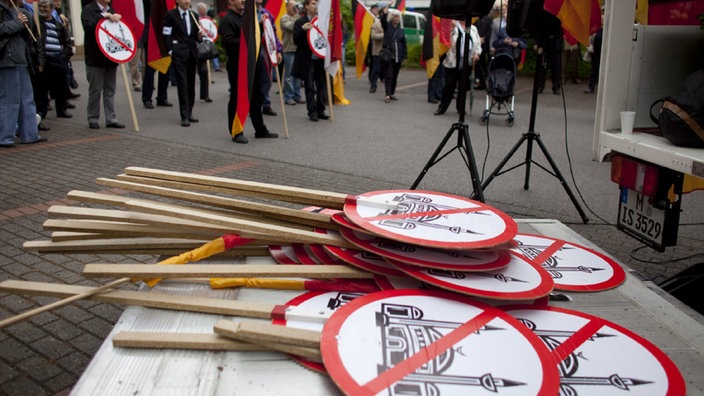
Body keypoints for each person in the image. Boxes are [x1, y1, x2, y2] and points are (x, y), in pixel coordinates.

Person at [219, 0, 278, 143]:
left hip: (253, 64)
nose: (243, 1)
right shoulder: (227, 19)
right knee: (237, 98)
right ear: (231, 2)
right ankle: (236, 131)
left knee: (257, 97)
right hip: (238, 66)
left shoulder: (246, 18)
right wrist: (247, 40)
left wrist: (261, 27)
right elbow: (228, 43)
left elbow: (254, 36)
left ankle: (260, 129)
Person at [0, 0, 46, 147]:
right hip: (6, 60)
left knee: (27, 100)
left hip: (21, 60)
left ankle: (30, 134)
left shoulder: (20, 10)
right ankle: (5, 137)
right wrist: (17, 23)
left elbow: (31, 37)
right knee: (9, 101)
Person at [81, 0, 125, 129]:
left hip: (110, 58)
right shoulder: (88, 10)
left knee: (110, 90)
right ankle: (93, 118)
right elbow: (88, 28)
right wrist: (102, 16)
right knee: (95, 90)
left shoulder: (112, 9)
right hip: (95, 59)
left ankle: (111, 118)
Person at [163, 0, 204, 127]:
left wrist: (200, 36)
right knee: (182, 83)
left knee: (191, 84)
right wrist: (170, 50)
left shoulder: (193, 15)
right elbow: (166, 34)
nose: (187, 1)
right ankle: (184, 115)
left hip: (191, 53)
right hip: (178, 54)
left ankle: (190, 111)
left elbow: (196, 35)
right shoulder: (171, 15)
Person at [433, 20, 481, 116]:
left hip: (467, 61)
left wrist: (477, 53)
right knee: (449, 85)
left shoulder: (473, 28)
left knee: (463, 87)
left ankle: (460, 108)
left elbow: (477, 44)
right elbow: (445, 42)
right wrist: (451, 29)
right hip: (453, 61)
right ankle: (442, 107)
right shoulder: (452, 26)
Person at [35, 0, 72, 123]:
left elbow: (67, 42)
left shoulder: (58, 25)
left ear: (51, 9)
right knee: (42, 88)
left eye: (45, 7)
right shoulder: (37, 24)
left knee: (61, 86)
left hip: (58, 59)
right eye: (41, 6)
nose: (43, 9)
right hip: (45, 60)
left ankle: (62, 110)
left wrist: (64, 58)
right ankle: (42, 111)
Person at [292, 0, 329, 122]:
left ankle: (321, 109)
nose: (315, 6)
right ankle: (312, 111)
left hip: (321, 59)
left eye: (317, 4)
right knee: (309, 86)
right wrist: (303, 29)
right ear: (307, 6)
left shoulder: (323, 22)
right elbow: (296, 41)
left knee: (322, 85)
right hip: (307, 60)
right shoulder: (300, 22)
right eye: (313, 3)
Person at [256, 0, 281, 116]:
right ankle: (253, 105)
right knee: (253, 79)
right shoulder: (245, 13)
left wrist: (278, 50)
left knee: (267, 77)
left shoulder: (266, 13)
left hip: (265, 49)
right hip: (253, 49)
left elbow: (273, 33)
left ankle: (266, 104)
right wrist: (258, 23)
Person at [379, 6, 406, 103]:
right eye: (395, 17)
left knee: (395, 76)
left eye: (398, 17)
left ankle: (392, 93)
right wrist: (385, 13)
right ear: (391, 17)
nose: (396, 18)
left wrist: (405, 56)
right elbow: (382, 21)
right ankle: (387, 95)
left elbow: (404, 44)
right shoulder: (387, 27)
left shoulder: (401, 30)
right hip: (389, 56)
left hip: (398, 57)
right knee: (389, 76)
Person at [279, 0, 303, 105]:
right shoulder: (284, 18)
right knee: (289, 75)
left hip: (298, 48)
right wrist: (298, 15)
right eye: (293, 6)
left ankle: (297, 95)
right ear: (287, 7)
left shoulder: (298, 17)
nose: (295, 8)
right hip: (289, 49)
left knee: (298, 74)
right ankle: (288, 96)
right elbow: (292, 27)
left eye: (296, 6)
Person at [195, 2, 212, 103]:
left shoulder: (195, 17)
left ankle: (205, 94)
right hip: (190, 48)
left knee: (204, 72)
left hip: (200, 48)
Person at [473, 12, 492, 89]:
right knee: (477, 64)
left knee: (482, 64)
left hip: (484, 44)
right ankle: (478, 80)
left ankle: (482, 82)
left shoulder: (488, 19)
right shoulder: (475, 19)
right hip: (476, 43)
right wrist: (478, 38)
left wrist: (483, 38)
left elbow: (489, 30)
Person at [368, 3, 383, 94]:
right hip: (376, 49)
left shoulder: (387, 23)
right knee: (375, 67)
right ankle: (373, 85)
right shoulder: (374, 23)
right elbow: (373, 36)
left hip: (386, 50)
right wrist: (384, 35)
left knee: (386, 69)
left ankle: (389, 91)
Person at [584, 23, 602, 94]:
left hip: (603, 53)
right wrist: (590, 48)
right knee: (594, 70)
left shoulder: (607, 30)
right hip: (595, 52)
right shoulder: (595, 29)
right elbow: (589, 40)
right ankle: (591, 86)